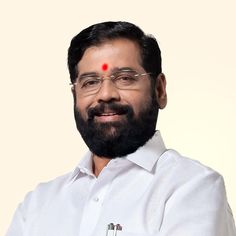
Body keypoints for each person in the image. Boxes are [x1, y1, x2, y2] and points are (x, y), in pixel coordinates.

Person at [6, 21, 236, 236]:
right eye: (90, 82)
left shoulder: (193, 188)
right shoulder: (37, 203)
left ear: (159, 90)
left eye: (125, 78)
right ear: (75, 95)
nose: (106, 94)